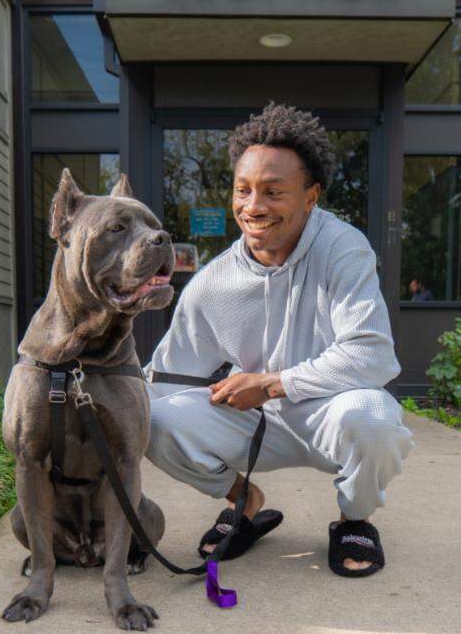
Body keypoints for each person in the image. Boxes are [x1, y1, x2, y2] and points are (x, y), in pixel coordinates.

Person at [144, 102, 413, 578]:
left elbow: (373, 353)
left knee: (374, 420)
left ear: (311, 196)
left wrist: (271, 384)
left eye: (273, 192)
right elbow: (165, 376)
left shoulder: (342, 249)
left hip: (332, 411)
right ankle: (245, 504)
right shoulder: (213, 282)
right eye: (243, 190)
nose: (253, 207)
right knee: (152, 417)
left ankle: (356, 519)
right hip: (254, 425)